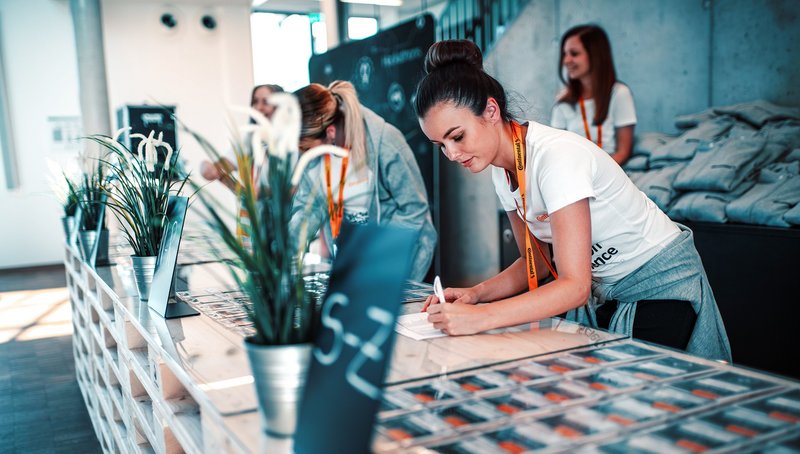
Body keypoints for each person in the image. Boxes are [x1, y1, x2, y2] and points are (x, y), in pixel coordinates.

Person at [414, 40, 730, 361]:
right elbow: (535, 262)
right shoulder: (501, 172)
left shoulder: (557, 157)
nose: (451, 154)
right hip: (609, 291)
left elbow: (574, 286)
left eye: (457, 137)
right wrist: (476, 294)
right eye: (440, 144)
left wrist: (482, 317)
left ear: (491, 111)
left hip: (659, 284)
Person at [290, 81, 436, 281]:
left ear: (330, 133)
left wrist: (373, 252)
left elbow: (414, 211)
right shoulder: (314, 156)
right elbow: (310, 207)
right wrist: (281, 249)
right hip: (353, 266)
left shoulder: (385, 142)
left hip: (399, 264)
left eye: (307, 148)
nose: (305, 156)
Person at [551, 24, 635, 166]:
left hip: (611, 172)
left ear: (595, 55)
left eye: (574, 53)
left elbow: (623, 152)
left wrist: (596, 173)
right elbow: (557, 151)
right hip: (574, 173)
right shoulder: (563, 102)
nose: (566, 60)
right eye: (565, 54)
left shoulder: (619, 94)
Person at [199, 83, 285, 187]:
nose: (258, 107)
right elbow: (222, 167)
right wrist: (208, 168)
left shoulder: (293, 141)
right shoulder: (249, 140)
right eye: (255, 102)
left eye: (265, 102)